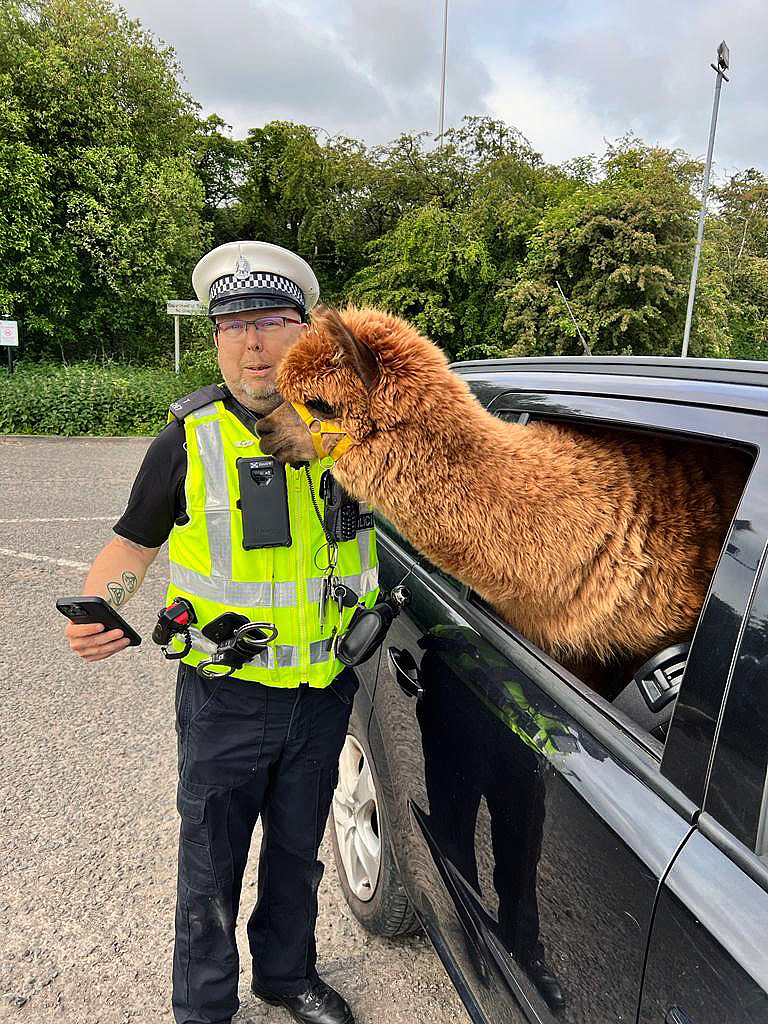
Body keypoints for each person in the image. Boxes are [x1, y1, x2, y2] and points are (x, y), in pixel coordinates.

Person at [65, 241, 379, 1024]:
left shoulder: (356, 433)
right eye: (235, 323)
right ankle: (203, 1009)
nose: (253, 341)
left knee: (298, 852)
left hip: (323, 691)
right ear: (216, 339)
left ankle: (286, 975)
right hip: (226, 698)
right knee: (210, 863)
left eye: (272, 321)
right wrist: (101, 601)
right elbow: (133, 543)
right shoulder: (189, 438)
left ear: (307, 333)